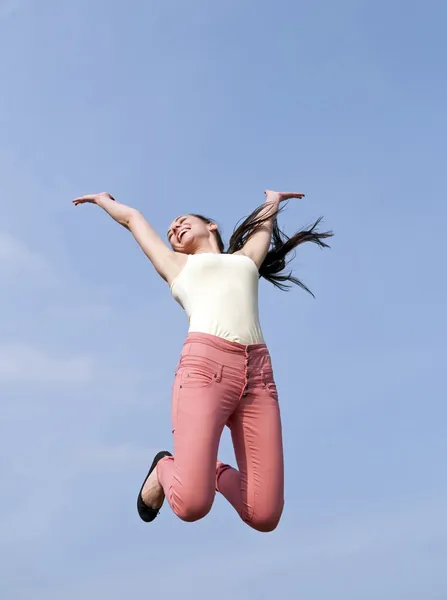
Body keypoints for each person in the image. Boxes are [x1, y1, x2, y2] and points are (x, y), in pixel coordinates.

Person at [72, 190, 333, 532]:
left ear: (210, 226)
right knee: (192, 504)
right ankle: (165, 467)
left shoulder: (245, 261)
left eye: (182, 221)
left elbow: (262, 231)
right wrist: (104, 200)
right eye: (170, 231)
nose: (174, 228)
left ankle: (208, 470)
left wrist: (273, 200)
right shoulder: (176, 265)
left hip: (258, 379)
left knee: (265, 514)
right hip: (205, 371)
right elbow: (132, 218)